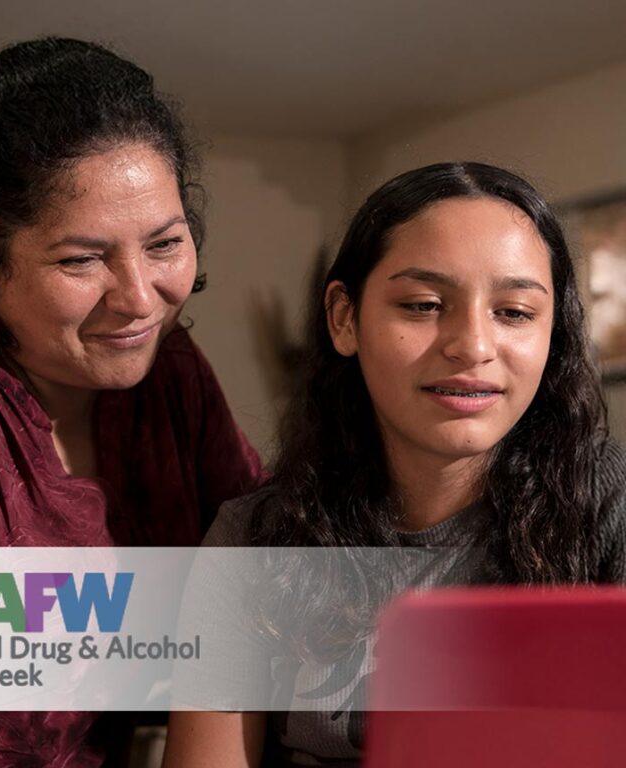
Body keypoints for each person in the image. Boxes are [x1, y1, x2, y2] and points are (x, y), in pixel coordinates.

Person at [0, 37, 263, 765]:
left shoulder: (169, 376)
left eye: (165, 244)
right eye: (81, 259)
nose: (141, 300)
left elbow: (265, 560)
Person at [162, 162, 626, 767]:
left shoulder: (607, 515)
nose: (474, 346)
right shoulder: (254, 539)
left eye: (514, 312)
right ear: (345, 318)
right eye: (425, 304)